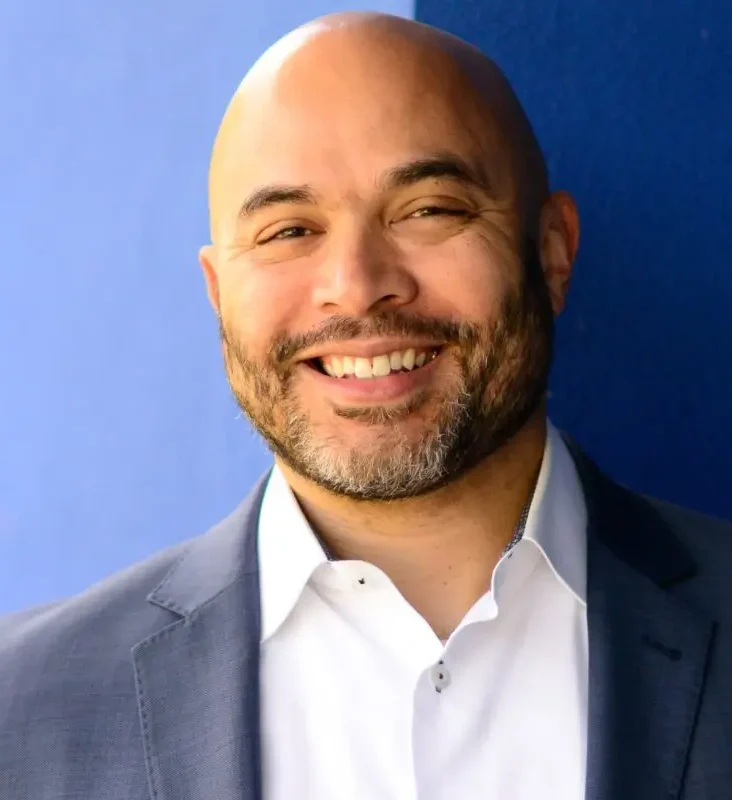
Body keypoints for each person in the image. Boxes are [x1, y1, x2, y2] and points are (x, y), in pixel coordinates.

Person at [1, 11, 731, 800]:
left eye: (429, 210)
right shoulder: (21, 707)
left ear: (552, 252)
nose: (355, 285)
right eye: (288, 230)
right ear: (218, 292)